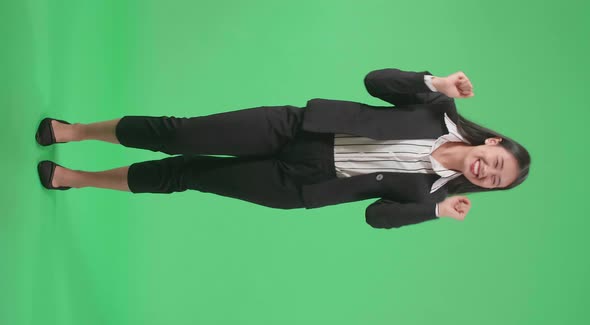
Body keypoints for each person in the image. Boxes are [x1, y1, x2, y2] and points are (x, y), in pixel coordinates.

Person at [35, 68, 531, 229]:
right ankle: (74, 132)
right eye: (498, 162)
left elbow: (377, 217)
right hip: (298, 130)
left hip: (300, 185)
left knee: (188, 175)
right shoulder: (435, 109)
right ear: (492, 142)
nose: (488, 170)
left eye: (495, 179)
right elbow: (375, 81)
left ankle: (77, 179)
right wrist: (435, 79)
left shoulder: (430, 198)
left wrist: (436, 213)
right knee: (179, 133)